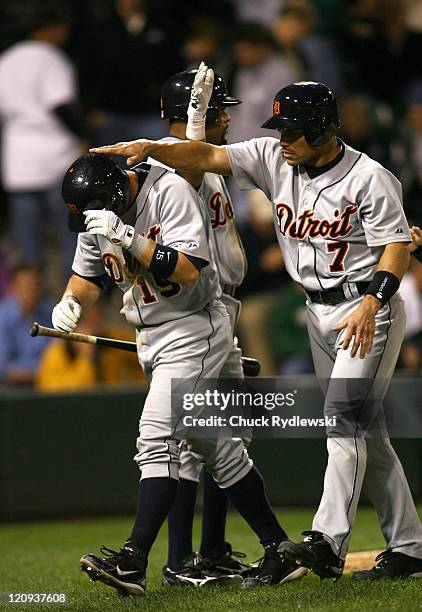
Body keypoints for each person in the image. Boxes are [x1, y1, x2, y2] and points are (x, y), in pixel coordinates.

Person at [91, 78, 422, 580]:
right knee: (367, 435)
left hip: (364, 310)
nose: (281, 139)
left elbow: (397, 246)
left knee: (343, 421)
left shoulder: (369, 177)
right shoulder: (273, 158)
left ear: (321, 129)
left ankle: (327, 541)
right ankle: (410, 546)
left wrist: (375, 299)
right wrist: (154, 147)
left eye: (292, 131)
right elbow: (204, 158)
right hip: (316, 311)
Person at [54, 152, 306, 595]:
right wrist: (72, 302)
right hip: (149, 337)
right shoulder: (100, 210)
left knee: (155, 438)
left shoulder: (168, 190)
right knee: (218, 449)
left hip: (193, 327)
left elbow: (190, 271)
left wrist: (129, 238)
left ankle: (134, 560)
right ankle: (278, 548)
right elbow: (88, 276)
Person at [158, 67, 252, 586]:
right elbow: (183, 172)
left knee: (229, 434)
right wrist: (195, 127)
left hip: (222, 313)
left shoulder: (209, 162)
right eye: (222, 109)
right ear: (195, 113)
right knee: (192, 441)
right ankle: (180, 561)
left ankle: (212, 549)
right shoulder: (174, 167)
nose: (229, 116)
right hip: (196, 315)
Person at [0, 1, 84, 280]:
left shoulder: (8, 58)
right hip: (54, 156)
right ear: (50, 29)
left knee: (26, 248)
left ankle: (28, 314)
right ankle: (70, 307)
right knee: (69, 239)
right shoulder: (50, 57)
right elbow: (59, 106)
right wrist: (82, 135)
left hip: (18, 158)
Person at [0, 264, 52, 385]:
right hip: (11, 384)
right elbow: (3, 364)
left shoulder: (50, 312)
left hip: (46, 380)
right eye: (26, 287)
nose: (31, 291)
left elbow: (56, 352)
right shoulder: (3, 317)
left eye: (35, 286)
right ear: (14, 288)